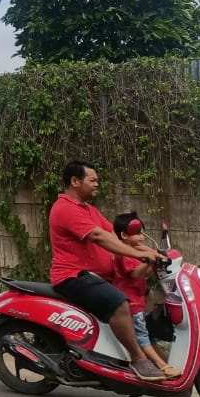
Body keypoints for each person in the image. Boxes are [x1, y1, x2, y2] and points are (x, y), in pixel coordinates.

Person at [49, 160, 166, 380]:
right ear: (75, 181)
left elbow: (113, 235)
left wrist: (153, 253)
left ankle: (137, 349)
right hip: (73, 276)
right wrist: (141, 255)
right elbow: (99, 237)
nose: (97, 185)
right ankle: (138, 360)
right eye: (92, 180)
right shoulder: (65, 208)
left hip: (95, 276)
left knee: (143, 295)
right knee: (119, 302)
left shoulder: (89, 210)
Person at [110, 212, 179, 380]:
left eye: (142, 233)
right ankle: (162, 365)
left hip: (139, 301)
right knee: (142, 336)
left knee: (147, 334)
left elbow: (144, 274)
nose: (142, 237)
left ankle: (164, 363)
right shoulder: (125, 253)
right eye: (138, 234)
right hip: (130, 304)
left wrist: (154, 262)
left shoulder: (135, 250)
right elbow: (134, 274)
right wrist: (149, 260)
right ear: (124, 236)